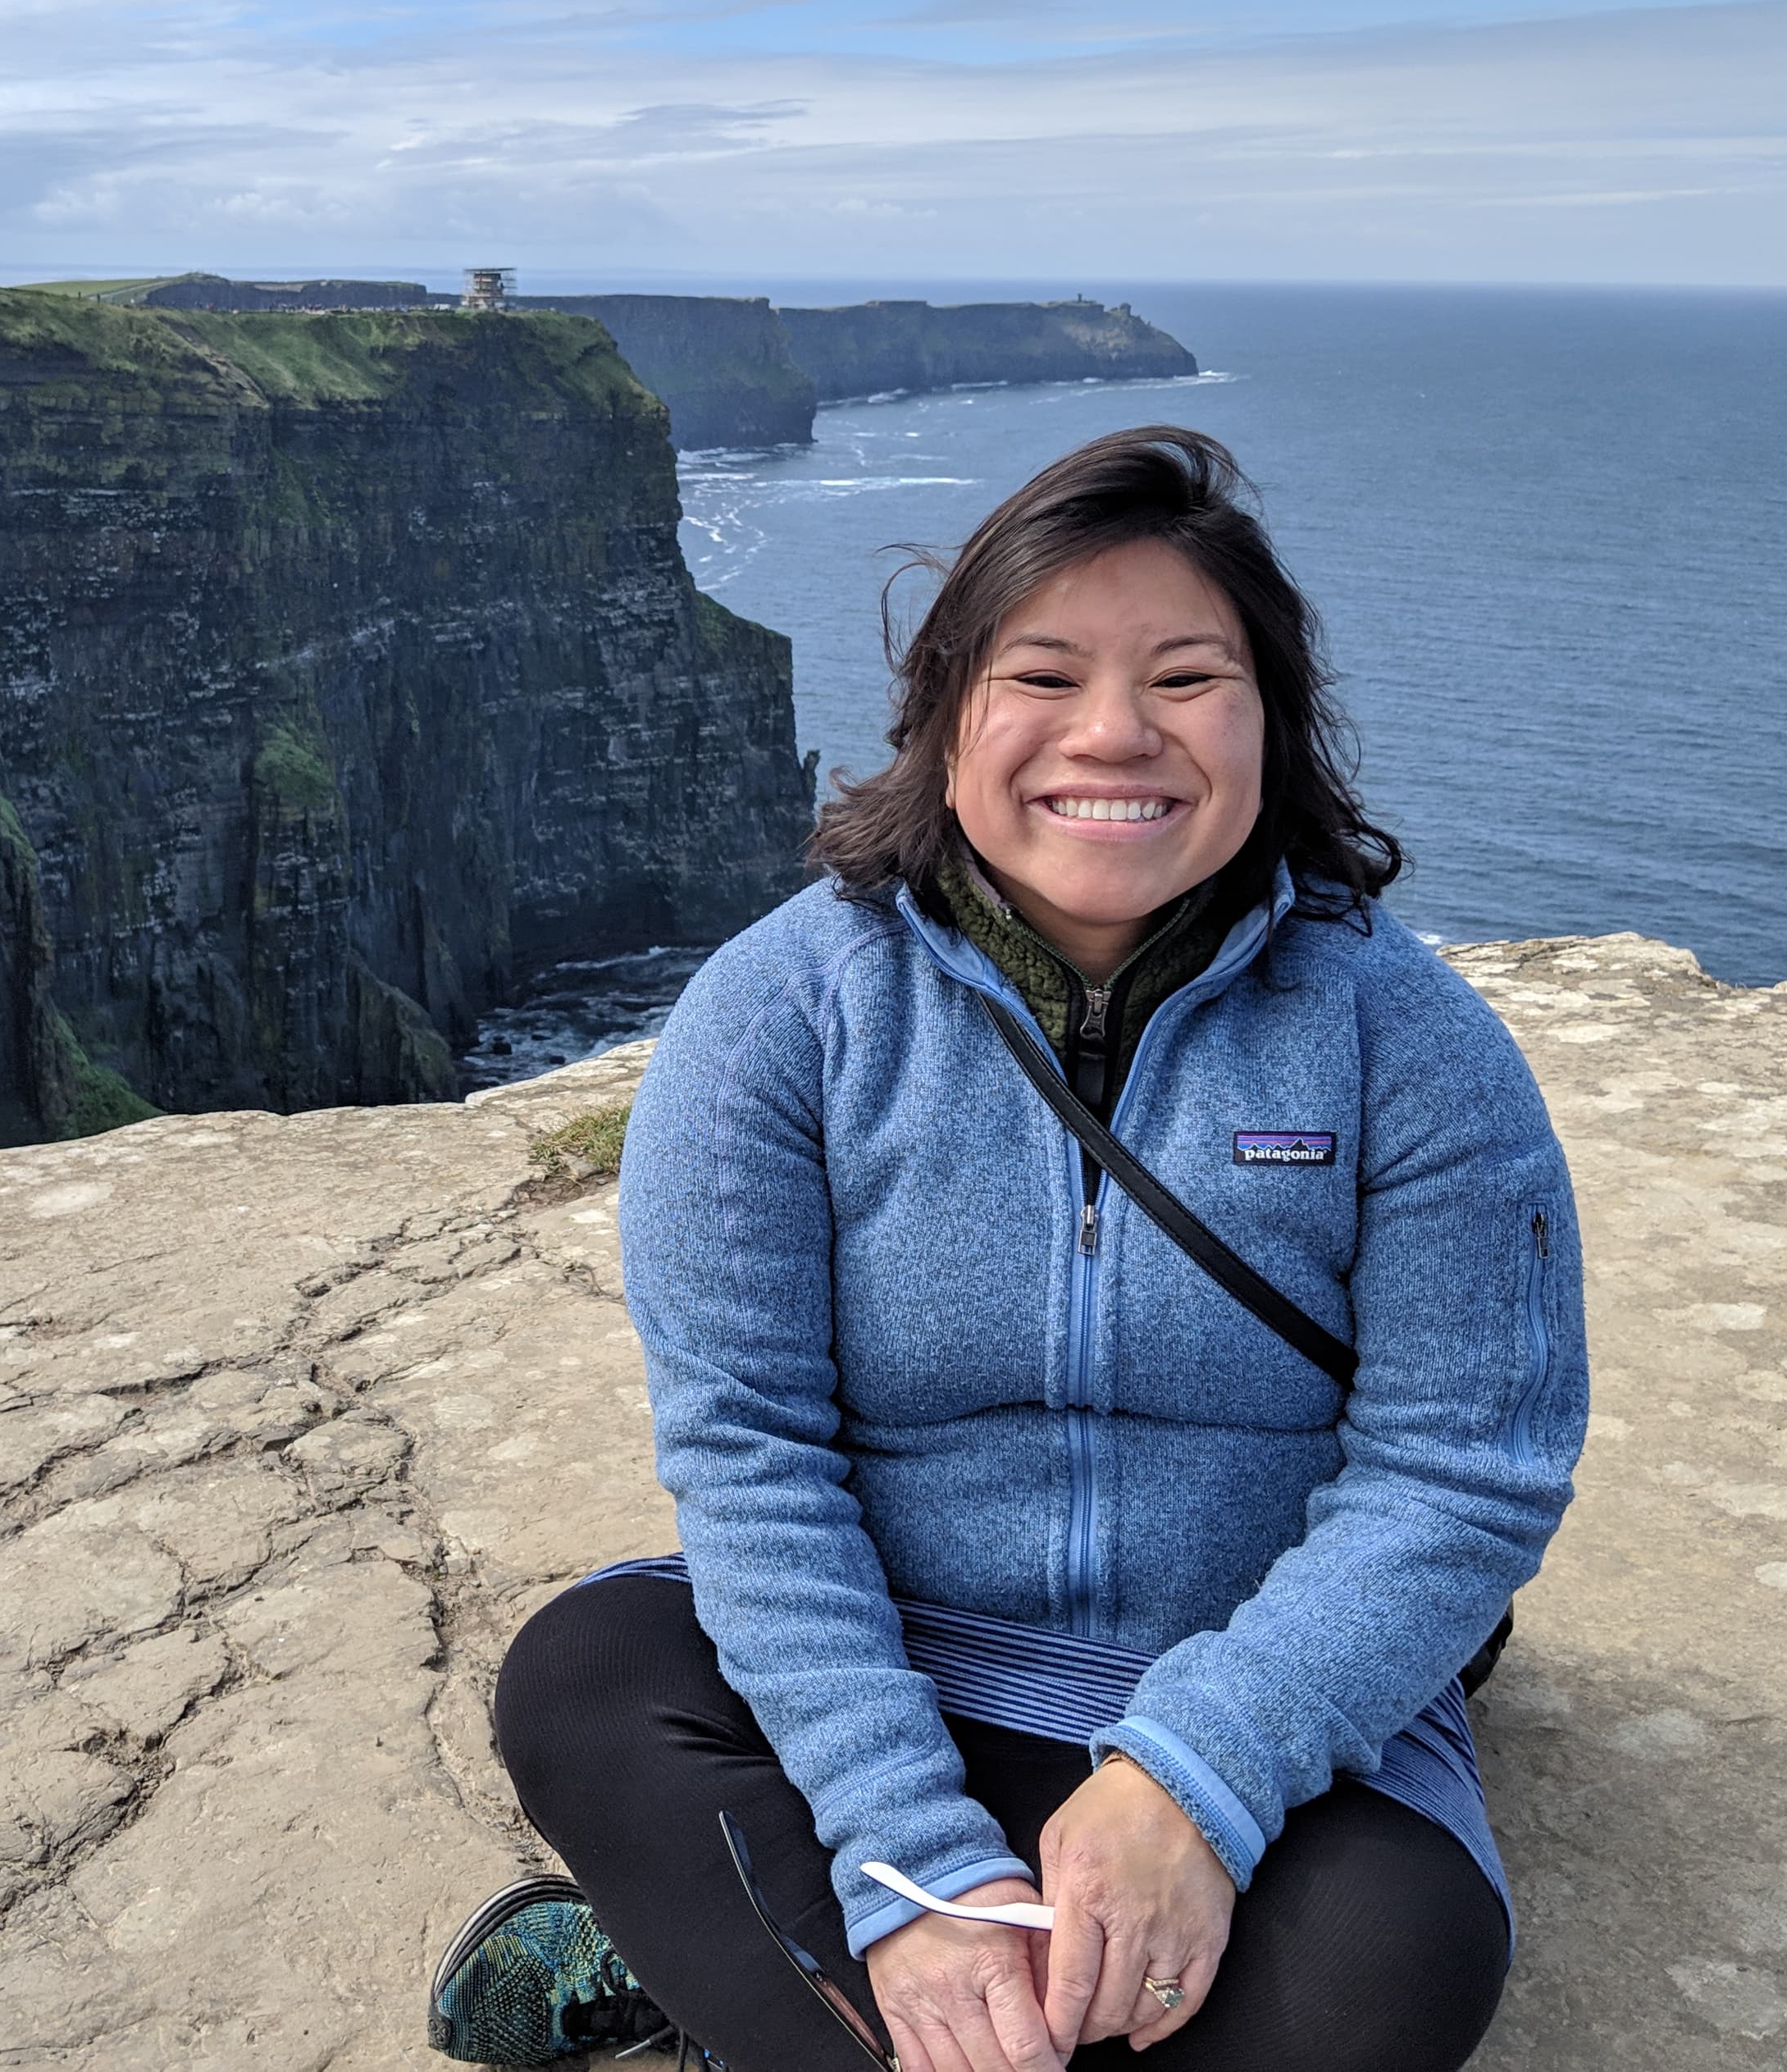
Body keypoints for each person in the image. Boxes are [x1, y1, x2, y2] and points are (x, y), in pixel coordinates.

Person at [435, 427, 1586, 2072]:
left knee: (1389, 1966)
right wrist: (910, 1860)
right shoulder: (784, 1018)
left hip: (1246, 1687)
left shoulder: (1408, 1041)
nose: (1113, 734)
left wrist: (1197, 1777)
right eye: (1043, 675)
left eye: (1188, 677)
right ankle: (851, 1967)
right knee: (583, 1680)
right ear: (946, 715)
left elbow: (1465, 1472)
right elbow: (753, 1452)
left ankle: (726, 1984)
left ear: (1273, 720)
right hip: (885, 1655)